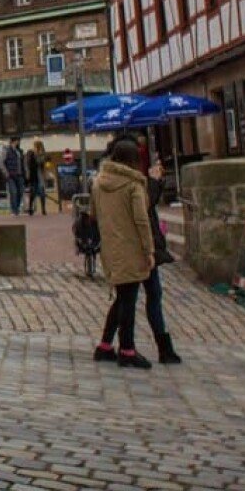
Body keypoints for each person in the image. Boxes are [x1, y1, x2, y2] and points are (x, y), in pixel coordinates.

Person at [90, 137, 156, 368]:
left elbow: (93, 214)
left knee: (122, 297)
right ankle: (127, 350)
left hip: (110, 246)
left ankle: (105, 345)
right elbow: (141, 219)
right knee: (128, 300)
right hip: (130, 247)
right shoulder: (132, 184)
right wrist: (149, 250)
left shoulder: (98, 182)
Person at [141, 161, 182, 365]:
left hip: (145, 248)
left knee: (150, 294)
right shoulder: (131, 184)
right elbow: (144, 205)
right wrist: (155, 182)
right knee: (129, 299)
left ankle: (164, 348)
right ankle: (119, 346)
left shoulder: (136, 182)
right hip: (140, 249)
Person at [0, 135, 25, 216]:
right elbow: (0, 162)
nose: (19, 142)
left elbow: (22, 163)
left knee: (20, 192)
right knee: (13, 192)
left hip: (19, 174)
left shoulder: (19, 151)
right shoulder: (6, 150)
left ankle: (16, 208)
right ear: (15, 141)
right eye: (18, 140)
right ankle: (14, 210)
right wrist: (6, 173)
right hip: (10, 175)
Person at [24, 140, 49, 215]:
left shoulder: (42, 154)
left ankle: (43, 209)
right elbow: (27, 163)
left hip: (39, 175)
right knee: (33, 192)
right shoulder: (30, 153)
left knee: (42, 192)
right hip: (33, 175)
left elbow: (43, 163)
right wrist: (27, 173)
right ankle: (30, 208)